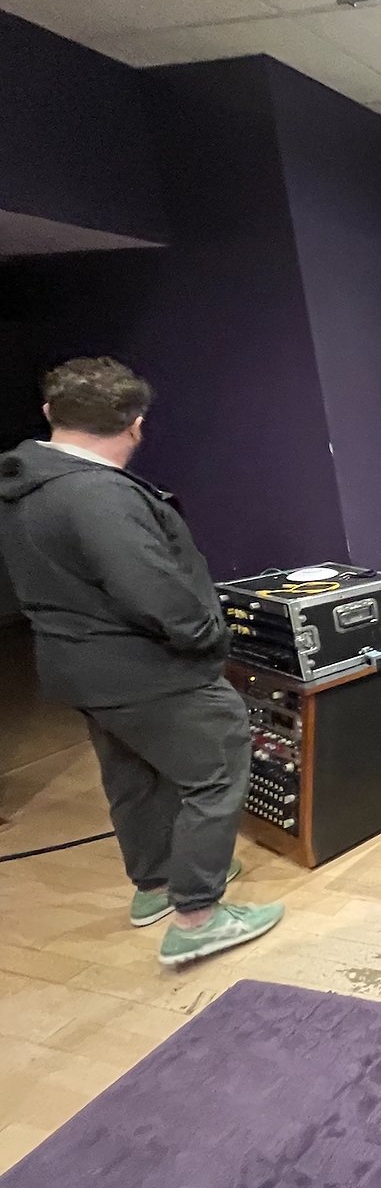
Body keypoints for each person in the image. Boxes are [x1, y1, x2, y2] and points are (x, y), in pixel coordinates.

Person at [0, 358, 284, 966]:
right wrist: (208, 640)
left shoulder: (25, 483)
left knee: (135, 777)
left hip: (81, 670)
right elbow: (154, 591)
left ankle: (156, 886)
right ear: (135, 424)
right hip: (150, 670)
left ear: (50, 412)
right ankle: (198, 915)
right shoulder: (97, 495)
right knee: (216, 772)